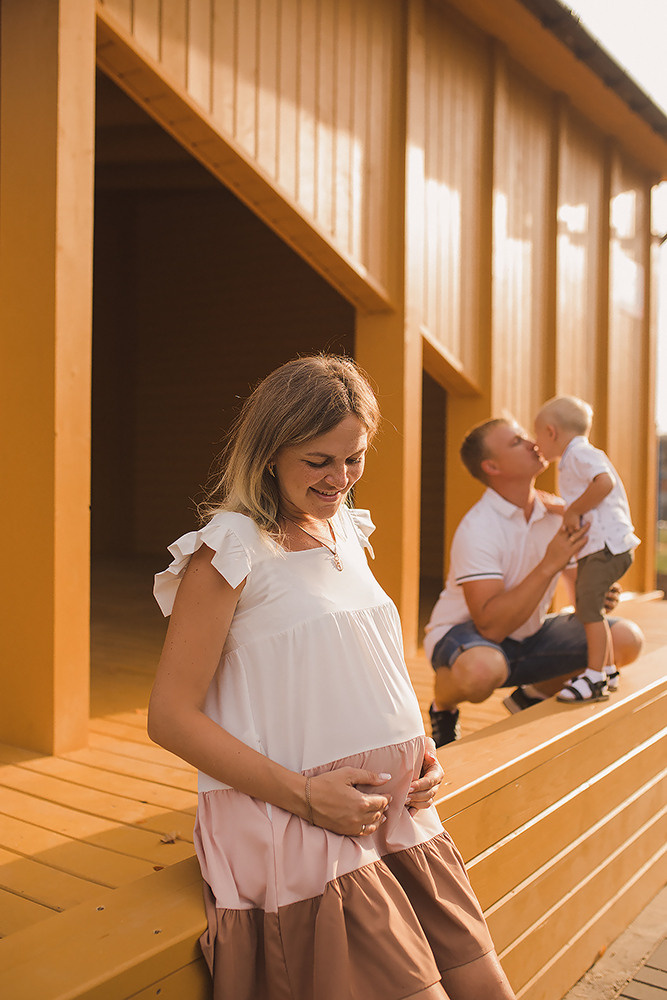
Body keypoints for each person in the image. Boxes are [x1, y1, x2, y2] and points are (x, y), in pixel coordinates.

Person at [148, 356, 515, 1000]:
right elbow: (170, 717)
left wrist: (419, 749)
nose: (340, 478)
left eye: (354, 457)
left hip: (397, 818)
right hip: (304, 830)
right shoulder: (229, 549)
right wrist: (308, 797)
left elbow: (360, 660)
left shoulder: (343, 526)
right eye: (319, 460)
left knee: (489, 990)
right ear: (270, 451)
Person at [425, 417, 644, 748]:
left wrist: (594, 593)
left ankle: (530, 696)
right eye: (516, 441)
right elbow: (491, 627)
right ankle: (443, 705)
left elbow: (575, 586)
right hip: (465, 636)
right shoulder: (478, 528)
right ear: (492, 466)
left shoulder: (557, 512)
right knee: (483, 669)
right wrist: (549, 563)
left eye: (526, 436)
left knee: (625, 638)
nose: (531, 442)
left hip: (530, 633)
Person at [533, 395, 640, 702]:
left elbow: (603, 484)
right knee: (590, 608)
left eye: (539, 436)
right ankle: (607, 671)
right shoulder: (574, 456)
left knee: (589, 611)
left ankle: (594, 678)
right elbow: (592, 497)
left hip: (605, 548)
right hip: (603, 547)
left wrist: (572, 511)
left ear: (552, 432)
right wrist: (561, 507)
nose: (537, 444)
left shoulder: (579, 453)